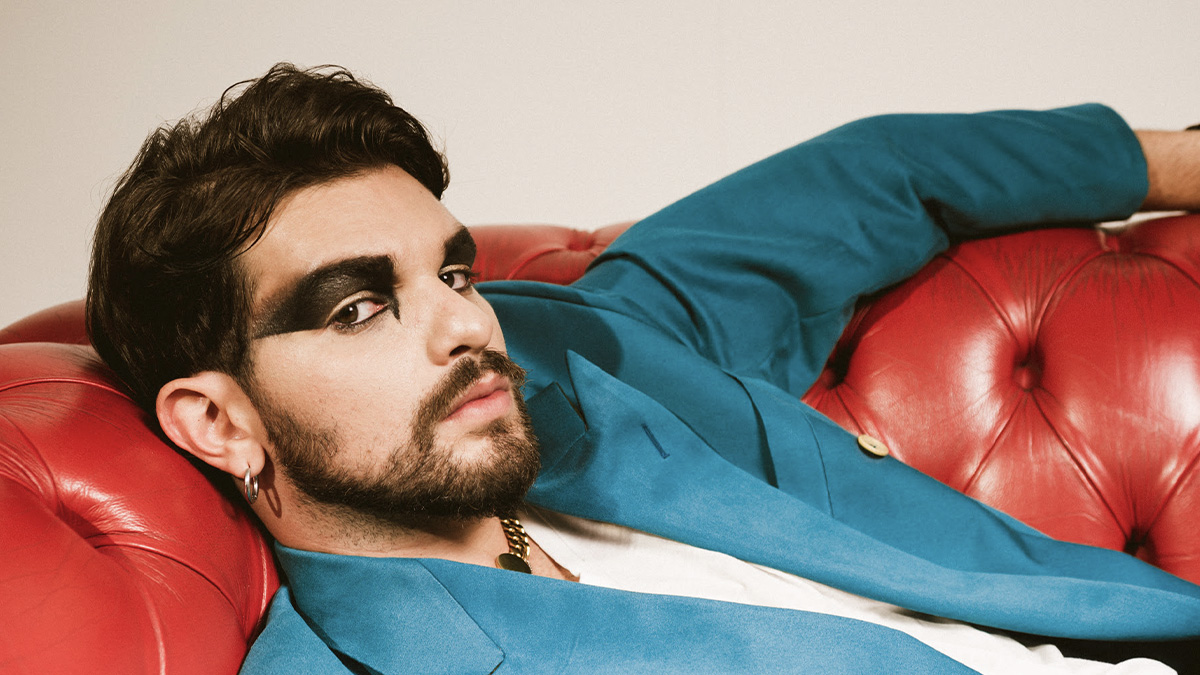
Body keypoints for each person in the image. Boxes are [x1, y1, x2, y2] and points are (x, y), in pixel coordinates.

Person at [86, 63, 1200, 673]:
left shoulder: (581, 354)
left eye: (454, 273)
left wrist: (1173, 160)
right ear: (219, 422)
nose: (466, 325)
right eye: (361, 307)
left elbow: (871, 178)